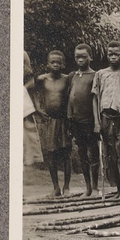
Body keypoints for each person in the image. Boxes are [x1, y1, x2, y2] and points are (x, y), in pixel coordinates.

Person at [92, 41, 120, 198]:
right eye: (110, 54)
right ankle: (117, 188)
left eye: (116, 54)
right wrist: (97, 122)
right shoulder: (100, 74)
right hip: (105, 118)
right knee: (110, 154)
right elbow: (96, 99)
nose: (113, 57)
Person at [34, 50, 72, 196]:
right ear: (47, 64)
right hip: (49, 121)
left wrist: (70, 116)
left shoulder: (67, 79)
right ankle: (55, 187)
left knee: (66, 153)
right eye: (52, 62)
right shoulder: (41, 79)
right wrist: (38, 108)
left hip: (64, 120)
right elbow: (34, 94)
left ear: (63, 64)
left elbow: (71, 96)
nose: (55, 64)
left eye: (58, 62)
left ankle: (66, 187)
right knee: (50, 153)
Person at [67, 44, 100, 196]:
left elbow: (96, 99)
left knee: (92, 153)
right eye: (77, 57)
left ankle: (95, 188)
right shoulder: (73, 75)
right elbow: (70, 98)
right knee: (82, 154)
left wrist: (97, 123)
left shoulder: (95, 75)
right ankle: (87, 188)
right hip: (76, 121)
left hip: (90, 121)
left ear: (90, 57)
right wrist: (69, 117)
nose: (80, 60)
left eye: (83, 57)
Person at [23, 52, 42, 167]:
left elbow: (31, 80)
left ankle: (32, 158)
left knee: (28, 129)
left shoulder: (22, 54)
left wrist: (23, 88)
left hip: (22, 98)